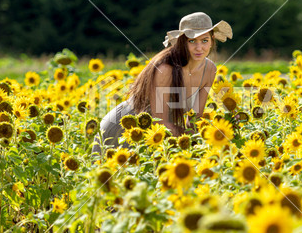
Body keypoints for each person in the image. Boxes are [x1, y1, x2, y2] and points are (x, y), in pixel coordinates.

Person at [92, 12, 232, 155]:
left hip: (163, 133)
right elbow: (158, 121)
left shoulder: (210, 70)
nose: (199, 48)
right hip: (127, 128)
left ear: (212, 40)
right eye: (192, 41)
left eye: (204, 40)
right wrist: (188, 139)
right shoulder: (165, 69)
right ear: (182, 42)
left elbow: (196, 119)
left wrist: (208, 139)